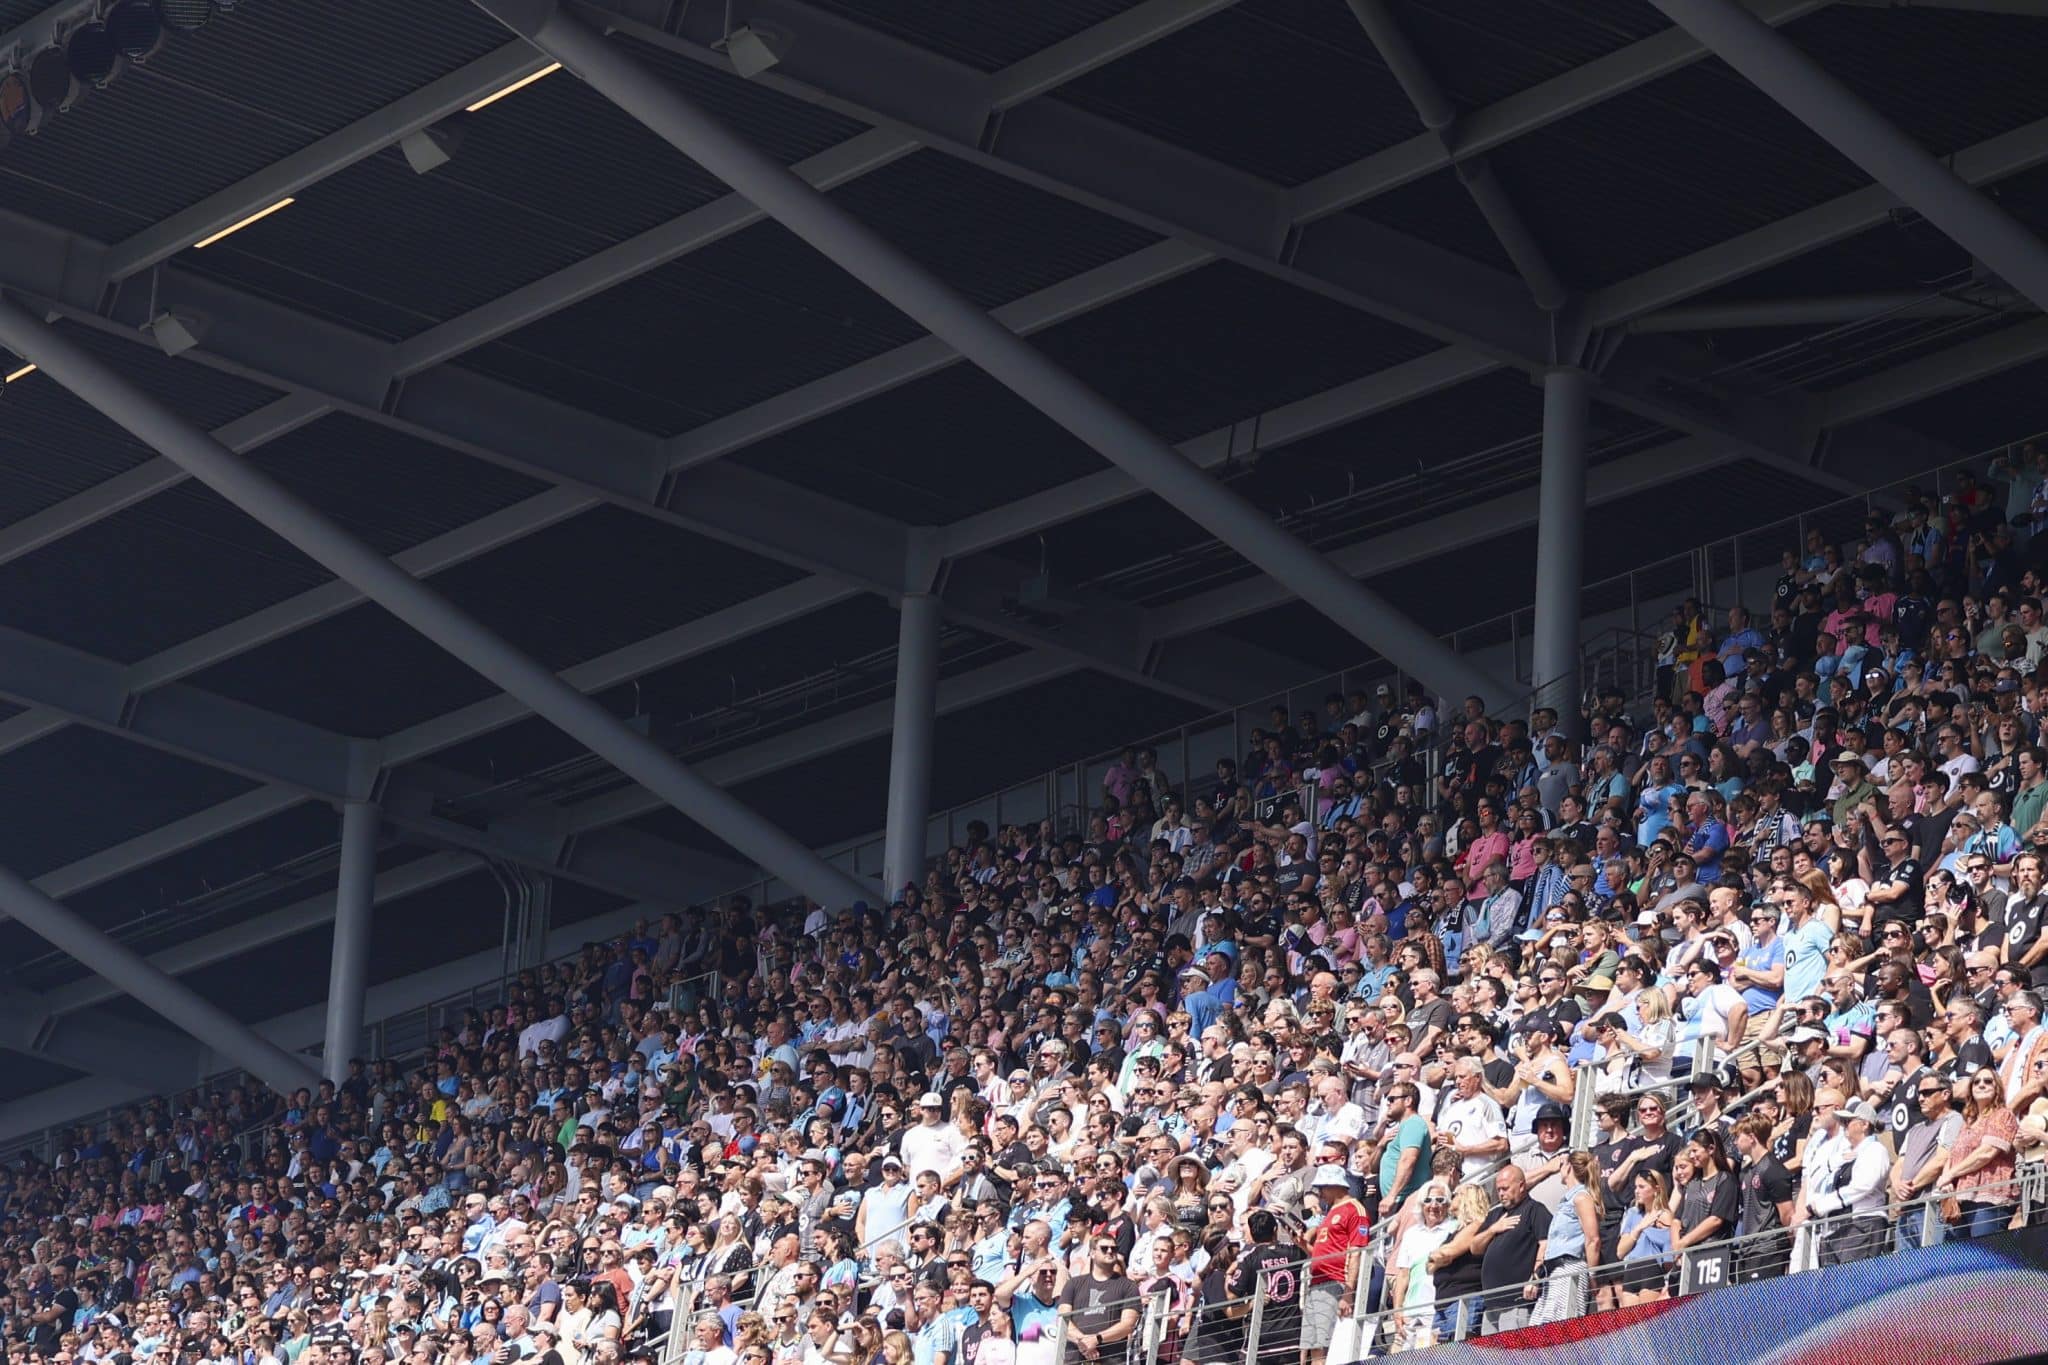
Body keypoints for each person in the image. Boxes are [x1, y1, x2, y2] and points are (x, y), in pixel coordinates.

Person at [1935, 1067, 2021, 1240]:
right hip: (1961, 1200)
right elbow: (1952, 1156)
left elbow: (1987, 1152)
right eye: (1976, 1081)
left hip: (1988, 1199)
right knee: (1963, 1262)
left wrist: (1951, 1173)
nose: (1981, 1085)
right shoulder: (1968, 1123)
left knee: (1985, 1257)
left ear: (1997, 1088)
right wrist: (1945, 1180)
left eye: (1988, 1081)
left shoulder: (2003, 1115)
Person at [1301, 1167, 1368, 1365]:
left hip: (1335, 1282)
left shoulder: (1354, 1209)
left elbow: (1356, 1253)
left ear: (1335, 1186)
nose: (1320, 1193)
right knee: (1314, 1346)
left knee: (1326, 1344)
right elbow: (1321, 1253)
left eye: (1322, 1188)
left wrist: (1348, 1292)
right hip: (1317, 1282)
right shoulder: (1330, 1212)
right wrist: (1302, 1244)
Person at [1525, 1153, 1601, 1325]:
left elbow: (1592, 1239)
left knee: (1560, 1327)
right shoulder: (1568, 1200)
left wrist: (1593, 1275)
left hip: (1569, 1268)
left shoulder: (1581, 1198)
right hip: (1554, 1270)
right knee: (1540, 1328)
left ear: (1568, 1168)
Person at [1388, 1182, 1458, 1352]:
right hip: (1411, 1310)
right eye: (1428, 1200)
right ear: (1421, 1205)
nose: (1433, 1205)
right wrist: (1398, 1310)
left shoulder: (1454, 1228)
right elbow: (1403, 1274)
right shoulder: (1411, 1233)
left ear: (1448, 1204)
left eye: (1440, 1200)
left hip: (1436, 1310)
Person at [1224, 1212, 1301, 1363]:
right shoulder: (1294, 1251)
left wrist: (1228, 1275)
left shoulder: (1249, 1258)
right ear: (1275, 1230)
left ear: (1252, 1232)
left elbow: (1231, 1296)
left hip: (1261, 1338)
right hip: (1291, 1335)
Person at [1057, 1238, 1138, 1365]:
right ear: (1092, 1253)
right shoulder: (1074, 1283)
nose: (1110, 1251)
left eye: (1114, 1248)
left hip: (1111, 1359)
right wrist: (1083, 1342)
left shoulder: (1128, 1286)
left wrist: (1096, 1339)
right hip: (1075, 1358)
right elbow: (1062, 1319)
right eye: (1105, 1248)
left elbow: (1128, 1324)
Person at [1613, 1172, 1674, 1308]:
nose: (1636, 1191)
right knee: (1629, 1325)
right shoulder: (1633, 1213)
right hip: (1631, 1270)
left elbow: (1668, 1257)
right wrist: (1639, 1228)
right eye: (1636, 1187)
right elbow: (1620, 1251)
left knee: (1646, 1322)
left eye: (1641, 1187)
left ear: (1656, 1189)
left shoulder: (1664, 1215)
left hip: (1651, 1270)